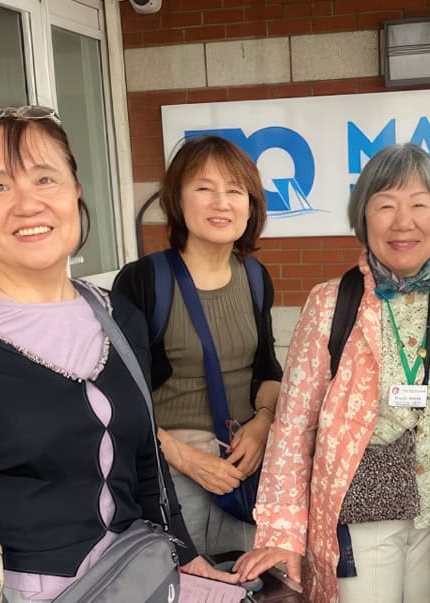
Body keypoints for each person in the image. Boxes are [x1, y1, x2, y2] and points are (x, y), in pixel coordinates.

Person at [0, 106, 225, 602]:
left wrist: (186, 555)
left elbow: (145, 462)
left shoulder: (118, 317)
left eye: (45, 179)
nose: (27, 204)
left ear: (75, 190)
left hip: (135, 580)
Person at [233, 144, 430, 603]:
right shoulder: (331, 303)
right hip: (361, 517)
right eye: (386, 205)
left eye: (419, 205)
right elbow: (294, 426)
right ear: (364, 217)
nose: (402, 222)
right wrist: (281, 531)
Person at [112, 135, 282, 555]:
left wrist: (262, 425)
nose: (221, 203)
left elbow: (267, 370)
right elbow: (116, 394)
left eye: (234, 191)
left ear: (251, 205)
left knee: (247, 581)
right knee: (180, 582)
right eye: (204, 188)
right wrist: (187, 458)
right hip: (170, 466)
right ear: (178, 199)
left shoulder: (256, 278)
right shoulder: (144, 281)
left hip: (244, 465)